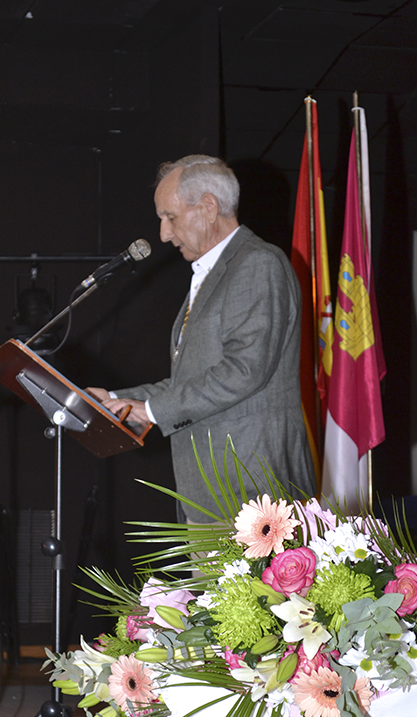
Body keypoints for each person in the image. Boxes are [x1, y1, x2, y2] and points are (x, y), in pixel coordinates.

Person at [88, 154, 316, 522]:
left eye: (170, 217)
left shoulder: (257, 263)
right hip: (211, 496)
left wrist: (151, 411)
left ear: (208, 207)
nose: (163, 233)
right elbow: (192, 381)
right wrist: (121, 401)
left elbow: (244, 370)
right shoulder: (211, 274)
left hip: (253, 497)